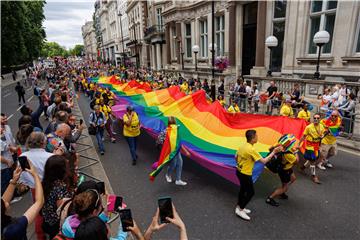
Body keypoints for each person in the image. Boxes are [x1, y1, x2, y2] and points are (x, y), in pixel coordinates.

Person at [235, 130, 282, 221]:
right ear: (253, 139)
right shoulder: (251, 150)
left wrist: (240, 164)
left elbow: (236, 156)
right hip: (245, 174)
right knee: (250, 192)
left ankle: (239, 206)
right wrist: (274, 152)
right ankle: (240, 210)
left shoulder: (243, 146)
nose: (257, 137)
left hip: (239, 171)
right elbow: (264, 161)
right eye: (256, 136)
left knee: (243, 190)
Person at [1, 162, 44, 240]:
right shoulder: (13, 229)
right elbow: (39, 202)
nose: (5, 201)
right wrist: (35, 175)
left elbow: (4, 201)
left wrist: (14, 181)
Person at [42, 155, 74, 238]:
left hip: (47, 220)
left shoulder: (45, 182)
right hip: (56, 224)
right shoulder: (60, 186)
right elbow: (62, 209)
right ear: (61, 170)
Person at [265, 134, 298, 207]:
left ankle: (281, 192)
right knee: (285, 187)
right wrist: (296, 152)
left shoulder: (278, 145)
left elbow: (270, 148)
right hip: (285, 170)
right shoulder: (288, 154)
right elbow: (296, 162)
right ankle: (270, 198)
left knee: (293, 178)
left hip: (283, 168)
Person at [298, 113, 327, 184]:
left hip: (317, 146)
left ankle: (303, 167)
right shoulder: (309, 127)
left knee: (313, 159)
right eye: (315, 118)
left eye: (317, 118)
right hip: (310, 146)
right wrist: (299, 144)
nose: (316, 119)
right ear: (313, 119)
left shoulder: (321, 126)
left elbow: (324, 133)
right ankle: (314, 176)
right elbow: (303, 136)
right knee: (313, 160)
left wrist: (323, 135)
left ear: (320, 119)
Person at [163, 117, 191, 186]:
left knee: (180, 162)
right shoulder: (166, 132)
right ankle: (168, 174)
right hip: (171, 151)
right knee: (174, 164)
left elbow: (179, 143)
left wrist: (186, 151)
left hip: (176, 150)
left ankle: (178, 180)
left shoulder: (176, 131)